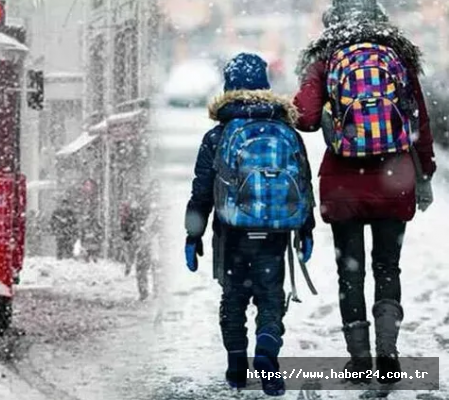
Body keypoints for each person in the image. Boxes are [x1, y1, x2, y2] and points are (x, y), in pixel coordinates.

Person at [294, 0, 436, 385]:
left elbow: (304, 118)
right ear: (380, 21)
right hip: (395, 178)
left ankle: (359, 360)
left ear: (333, 21)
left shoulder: (325, 59)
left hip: (344, 184)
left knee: (349, 272)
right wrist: (426, 173)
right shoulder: (398, 58)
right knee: (388, 267)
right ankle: (388, 355)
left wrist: (327, 115)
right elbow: (419, 119)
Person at [184, 53, 316, 396]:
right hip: (274, 232)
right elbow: (303, 183)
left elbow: (201, 192)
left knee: (234, 298)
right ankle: (268, 356)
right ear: (265, 86)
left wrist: (193, 234)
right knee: (270, 298)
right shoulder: (285, 129)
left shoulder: (218, 135)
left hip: (232, 233)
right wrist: (305, 228)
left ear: (228, 87)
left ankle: (237, 366)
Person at [121, 184, 163, 301]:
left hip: (148, 240)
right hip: (146, 240)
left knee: (148, 267)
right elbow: (127, 225)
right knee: (150, 267)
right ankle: (151, 292)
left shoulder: (138, 208)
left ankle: (149, 292)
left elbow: (127, 225)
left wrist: (129, 235)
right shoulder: (144, 208)